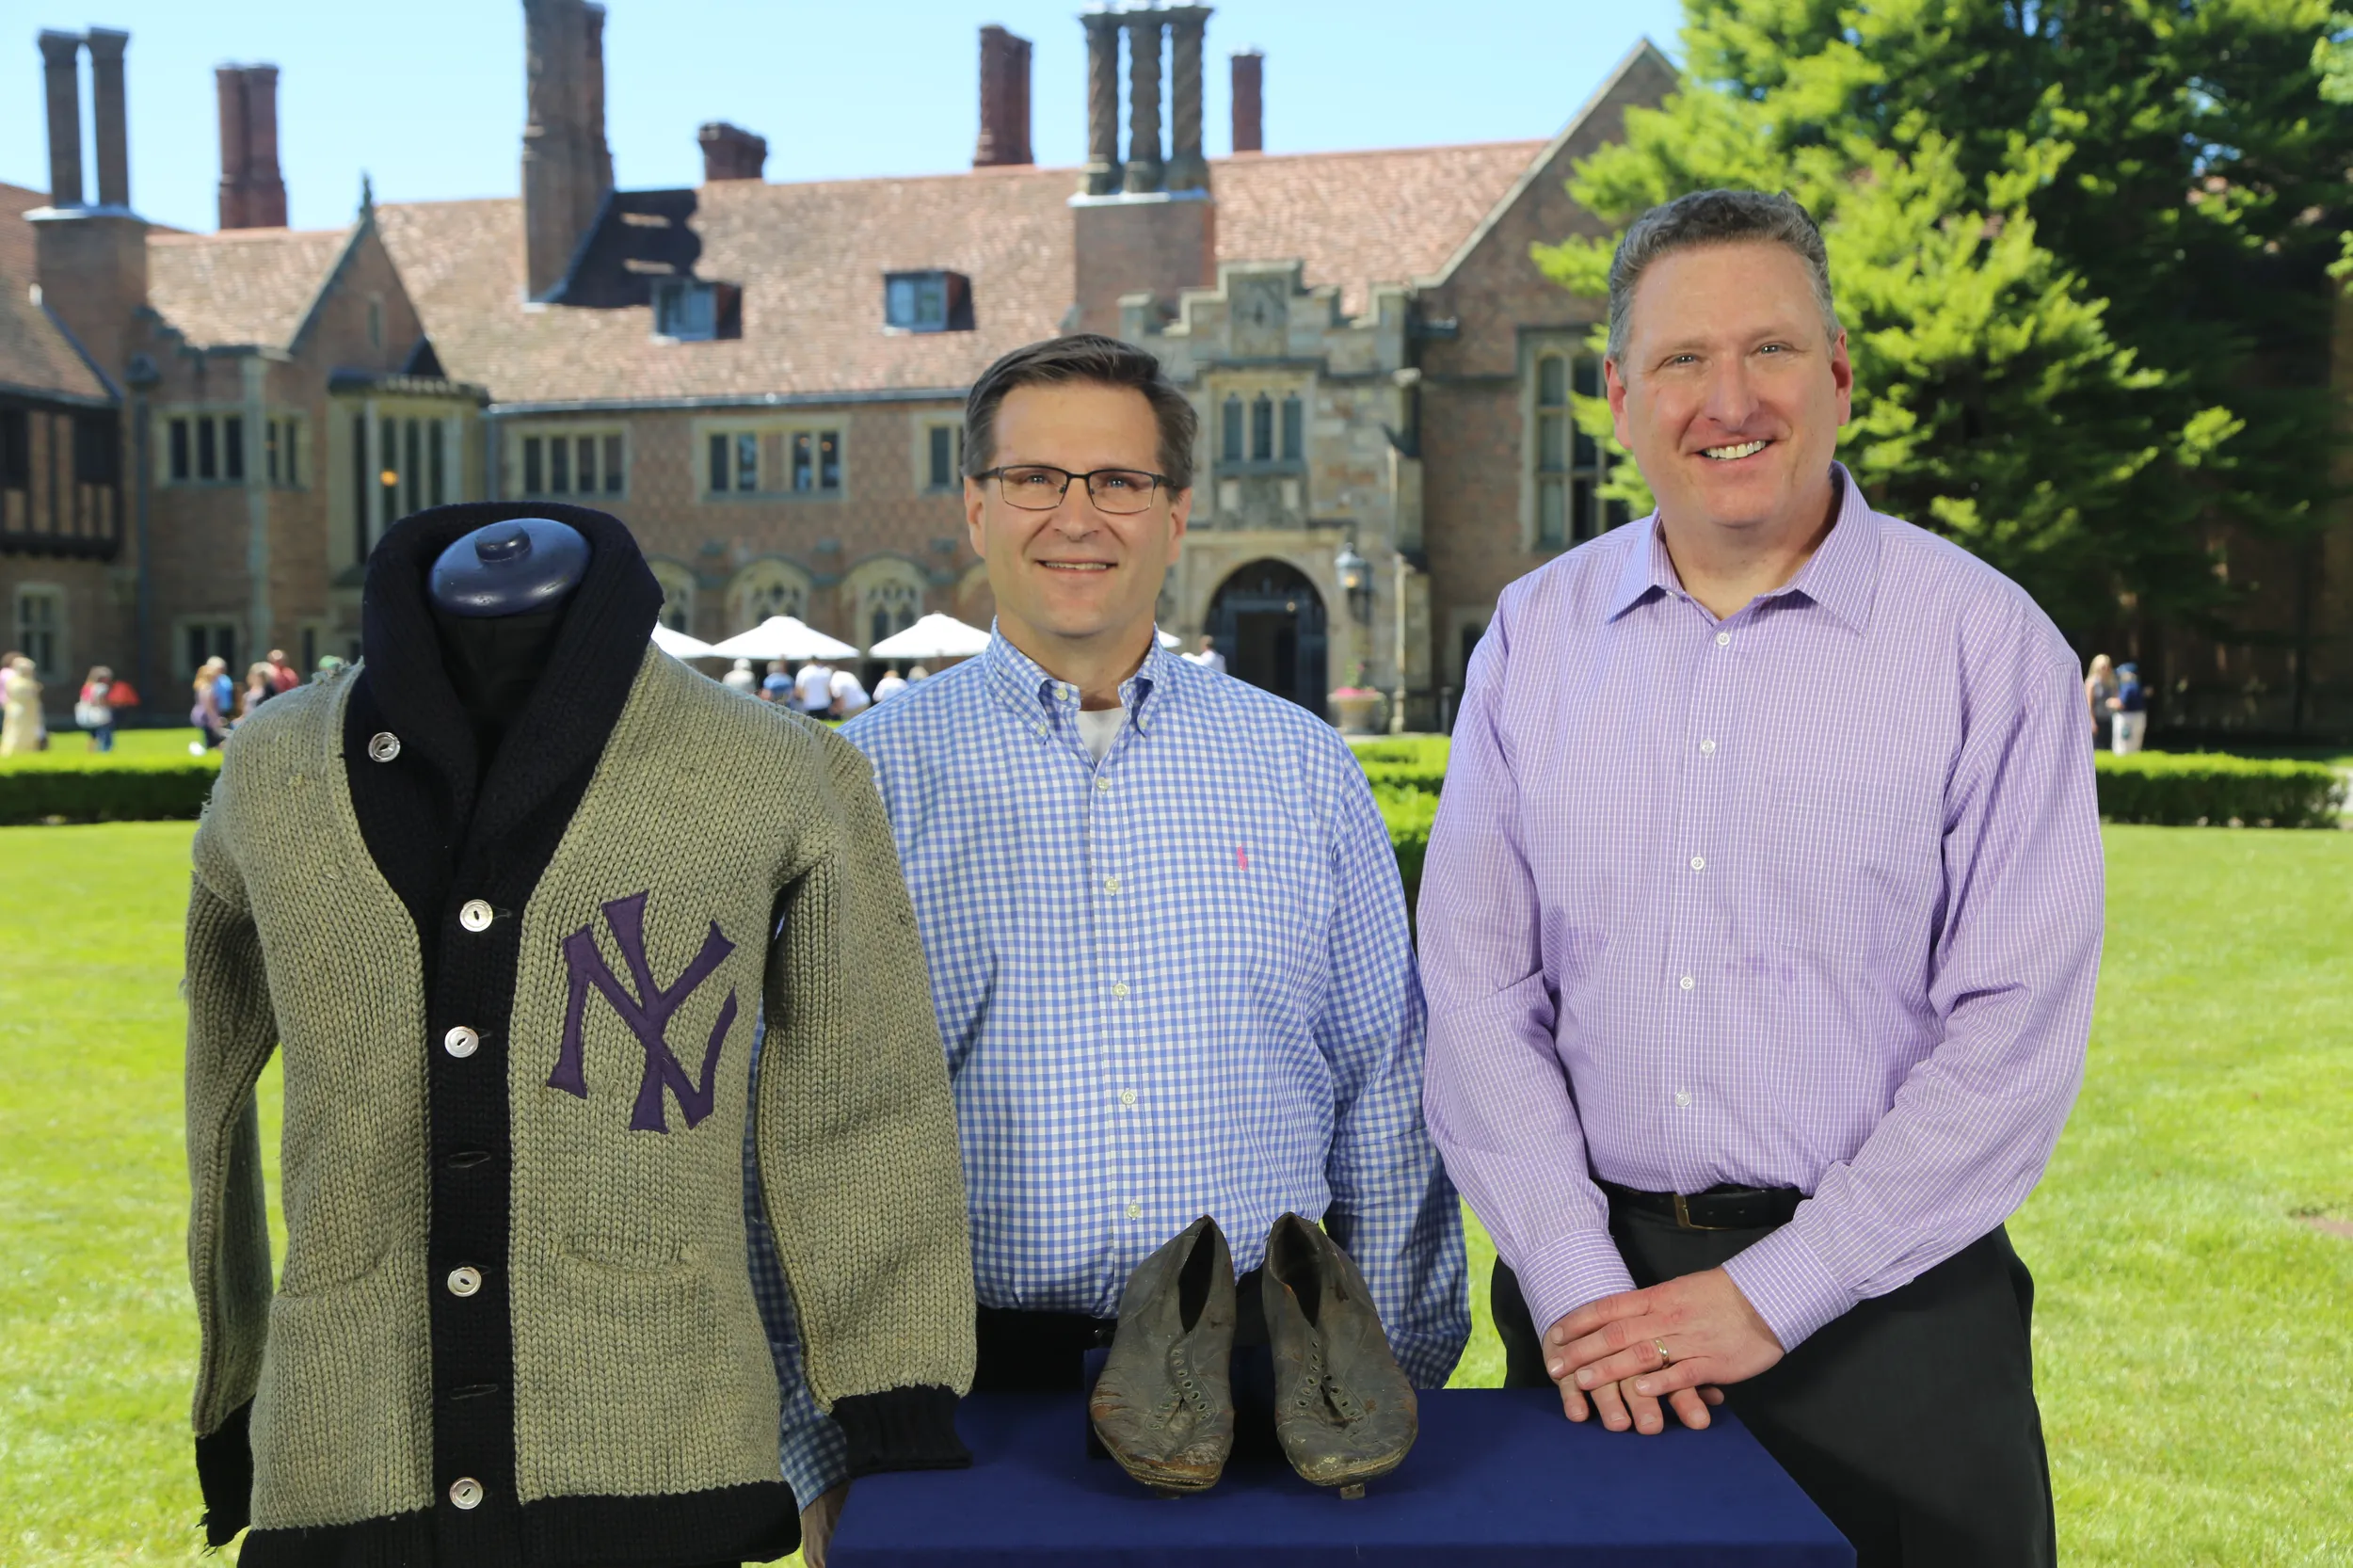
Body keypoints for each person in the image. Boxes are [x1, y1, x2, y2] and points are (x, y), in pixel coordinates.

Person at [1418, 190, 2100, 1568]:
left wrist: (1779, 1288)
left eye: (1770, 350)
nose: (1729, 400)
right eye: (1682, 358)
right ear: (1619, 397)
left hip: (1895, 1314)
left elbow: (2014, 1030)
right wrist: (1572, 1276)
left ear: (1838, 372)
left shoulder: (1986, 645)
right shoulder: (1534, 639)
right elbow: (1476, 990)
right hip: (1599, 1316)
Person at [759, 334, 1466, 1565]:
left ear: (1175, 513)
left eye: (1120, 481)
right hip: (962, 1409)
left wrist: (1384, 1386)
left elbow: (1388, 1094)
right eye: (1035, 477)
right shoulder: (860, 784)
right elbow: (780, 1134)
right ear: (976, 507)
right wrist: (814, 1455)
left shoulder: (1301, 767)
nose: (1077, 515)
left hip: (1275, 1401)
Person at [76, 665, 138, 751]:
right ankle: (105, 749)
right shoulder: (101, 687)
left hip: (86, 713)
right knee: (105, 732)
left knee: (93, 734)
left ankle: (91, 750)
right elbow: (101, 701)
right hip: (100, 714)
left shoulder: (87, 687)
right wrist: (114, 704)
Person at [0, 654, 43, 755]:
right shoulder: (17, 683)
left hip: (29, 710)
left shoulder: (27, 682)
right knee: (16, 729)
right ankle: (15, 747)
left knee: (28, 729)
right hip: (18, 709)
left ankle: (28, 747)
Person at [190, 658, 231, 750]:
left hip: (204, 716)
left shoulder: (202, 687)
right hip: (208, 717)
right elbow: (209, 707)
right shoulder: (208, 689)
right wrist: (215, 719)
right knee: (213, 737)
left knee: (209, 736)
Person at [2111, 661, 2148, 753]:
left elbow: (2121, 704)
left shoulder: (2128, 686)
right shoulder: (2137, 685)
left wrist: (2109, 702)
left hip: (2127, 718)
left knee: (2124, 744)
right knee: (2135, 744)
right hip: (2138, 716)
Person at [2084, 653, 2119, 748]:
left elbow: (2116, 697)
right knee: (2096, 746)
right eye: (2103, 667)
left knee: (2108, 747)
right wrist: (2091, 721)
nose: (2106, 670)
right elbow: (2088, 704)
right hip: (2097, 717)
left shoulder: (2112, 682)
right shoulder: (2091, 683)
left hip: (2109, 718)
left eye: (2107, 667)